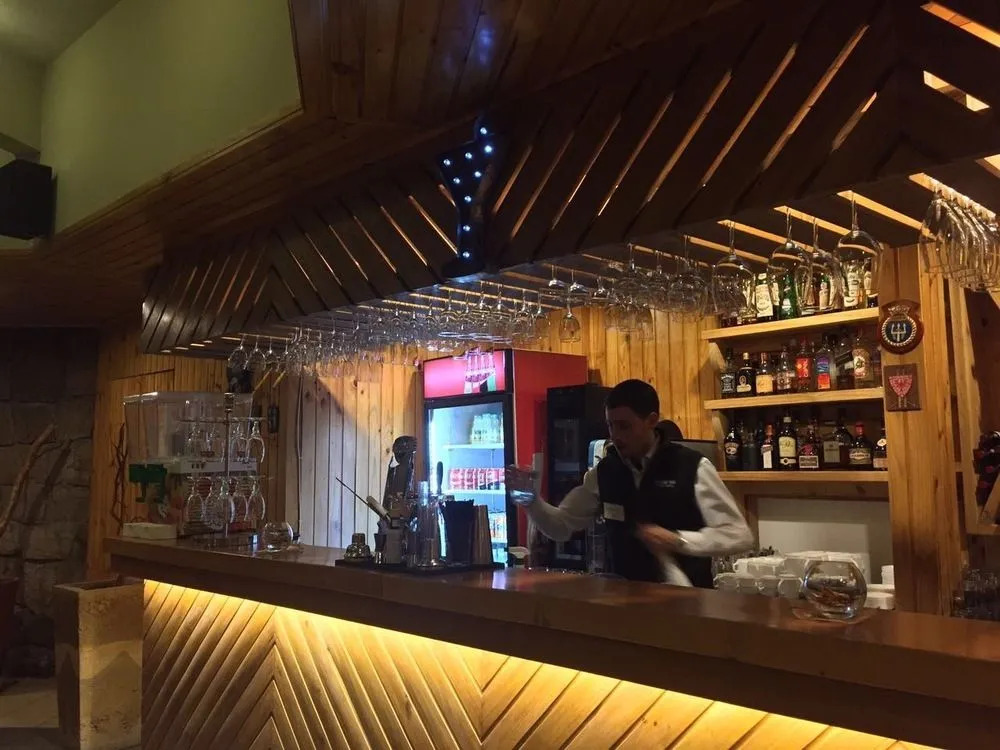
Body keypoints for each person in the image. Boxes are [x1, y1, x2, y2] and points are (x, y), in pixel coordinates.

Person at [508, 379, 753, 587]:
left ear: (651, 421)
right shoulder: (605, 471)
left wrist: (678, 540)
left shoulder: (692, 466)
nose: (616, 435)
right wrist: (531, 501)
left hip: (688, 604)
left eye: (625, 426)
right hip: (626, 605)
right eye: (611, 425)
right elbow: (561, 526)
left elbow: (738, 534)